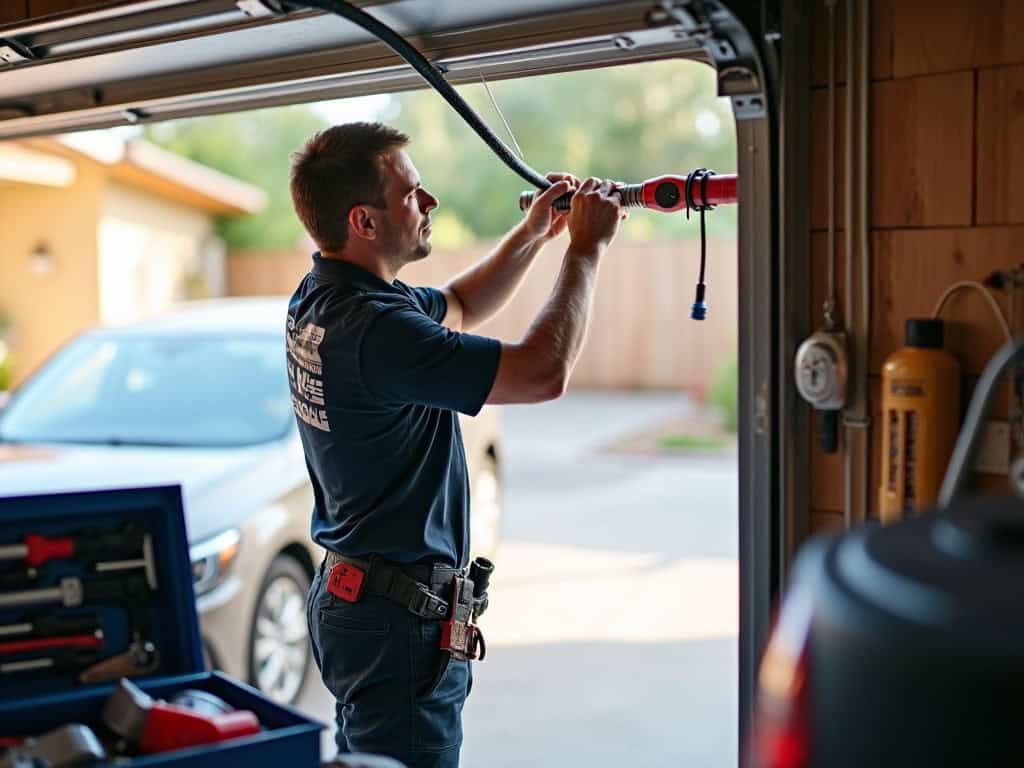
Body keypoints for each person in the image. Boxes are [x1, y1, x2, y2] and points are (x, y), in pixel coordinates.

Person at [286, 122, 623, 768]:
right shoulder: (377, 330)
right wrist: (585, 250)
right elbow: (540, 372)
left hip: (362, 601)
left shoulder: (327, 296)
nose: (429, 201)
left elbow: (463, 304)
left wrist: (533, 236)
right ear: (365, 221)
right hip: (393, 622)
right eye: (412, 193)